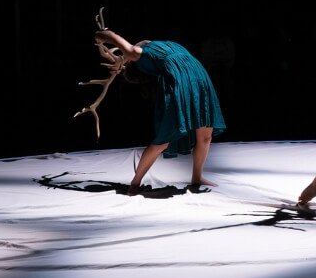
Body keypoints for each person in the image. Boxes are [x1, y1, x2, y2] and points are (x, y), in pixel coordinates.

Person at [93, 29, 227, 195]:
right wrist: (105, 36)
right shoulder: (145, 54)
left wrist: (120, 57)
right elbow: (131, 50)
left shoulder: (158, 45)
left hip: (198, 77)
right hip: (182, 80)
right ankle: (135, 183)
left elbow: (137, 47)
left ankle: (197, 178)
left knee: (206, 135)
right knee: (163, 140)